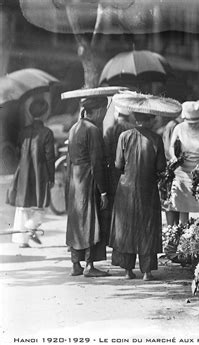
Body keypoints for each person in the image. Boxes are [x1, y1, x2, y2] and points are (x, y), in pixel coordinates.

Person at [109, 106, 167, 281]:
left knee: (127, 226)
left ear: (135, 119)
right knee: (147, 227)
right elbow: (161, 167)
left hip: (126, 188)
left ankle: (127, 270)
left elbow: (118, 164)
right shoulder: (156, 139)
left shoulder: (124, 137)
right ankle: (147, 272)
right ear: (149, 120)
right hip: (148, 187)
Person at [65, 94, 111, 277]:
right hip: (88, 179)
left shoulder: (74, 128)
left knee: (77, 220)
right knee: (91, 219)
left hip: (75, 179)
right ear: (98, 110)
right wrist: (104, 191)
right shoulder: (93, 130)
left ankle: (75, 263)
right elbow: (97, 162)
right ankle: (90, 265)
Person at [7, 96, 55, 248]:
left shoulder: (23, 132)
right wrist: (51, 176)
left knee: (23, 207)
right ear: (45, 114)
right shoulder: (47, 133)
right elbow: (50, 157)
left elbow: (17, 152)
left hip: (23, 171)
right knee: (41, 206)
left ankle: (22, 240)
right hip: (39, 172)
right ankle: (30, 227)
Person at [169, 101, 199, 224]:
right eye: (190, 123)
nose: (193, 125)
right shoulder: (179, 128)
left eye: (196, 123)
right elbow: (172, 148)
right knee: (183, 209)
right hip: (182, 173)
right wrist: (174, 158)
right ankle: (183, 235)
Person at [103, 112, 134, 201]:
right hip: (131, 171)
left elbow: (106, 152)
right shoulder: (134, 130)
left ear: (116, 116)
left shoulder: (110, 130)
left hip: (114, 171)